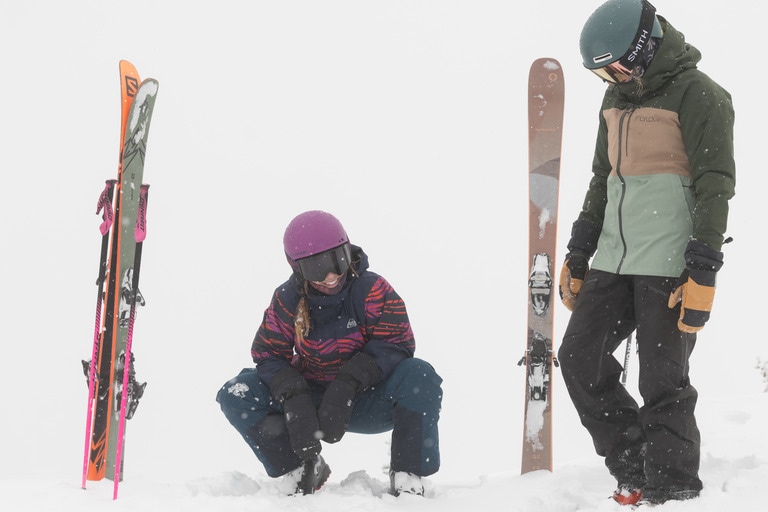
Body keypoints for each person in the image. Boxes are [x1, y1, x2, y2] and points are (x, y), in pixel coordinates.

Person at [558, 0, 735, 506]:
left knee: (663, 380)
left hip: (669, 262)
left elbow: (715, 185)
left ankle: (674, 483)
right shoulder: (614, 101)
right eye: (602, 72)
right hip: (614, 259)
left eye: (617, 65)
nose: (612, 77)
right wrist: (579, 251)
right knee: (578, 359)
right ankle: (634, 462)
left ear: (646, 46)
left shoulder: (703, 95)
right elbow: (602, 178)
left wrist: (702, 269)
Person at [216, 210, 442, 496]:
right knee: (237, 392)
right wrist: (294, 396)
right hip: (312, 403)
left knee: (419, 375)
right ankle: (302, 468)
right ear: (297, 268)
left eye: (338, 261)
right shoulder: (288, 299)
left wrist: (349, 383)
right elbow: (268, 352)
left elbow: (396, 342)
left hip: (367, 400)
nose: (332, 276)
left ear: (348, 250)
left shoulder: (371, 290)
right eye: (317, 268)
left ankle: (409, 476)